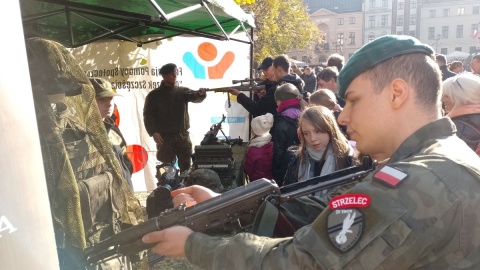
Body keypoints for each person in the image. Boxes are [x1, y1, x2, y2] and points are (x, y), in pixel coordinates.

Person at [142, 35, 480, 269]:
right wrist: (226, 204)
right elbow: (330, 209)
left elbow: (303, 262)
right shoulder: (436, 161)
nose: (343, 117)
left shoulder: (419, 179)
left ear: (396, 93)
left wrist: (192, 245)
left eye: (354, 100)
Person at [26, 38, 144, 269]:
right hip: (56, 237)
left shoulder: (80, 122)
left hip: (99, 229)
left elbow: (116, 171)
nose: (61, 92)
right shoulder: (24, 128)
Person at [143, 63, 206, 173]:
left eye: (175, 73)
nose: (174, 76)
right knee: (166, 171)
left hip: (182, 136)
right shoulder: (154, 96)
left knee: (186, 169)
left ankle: (185, 189)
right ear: (164, 76)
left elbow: (195, 97)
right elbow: (147, 116)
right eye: (171, 74)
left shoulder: (182, 91)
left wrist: (201, 95)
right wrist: (153, 132)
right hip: (164, 138)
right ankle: (167, 190)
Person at [283, 106, 356, 198]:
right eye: (306, 133)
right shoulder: (297, 161)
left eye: (318, 131)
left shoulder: (348, 160)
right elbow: (287, 195)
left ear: (330, 129)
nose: (312, 139)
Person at [91, 77, 134, 189]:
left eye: (110, 98)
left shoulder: (113, 128)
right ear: (88, 101)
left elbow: (125, 163)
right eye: (101, 99)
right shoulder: (81, 133)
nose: (109, 104)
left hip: (123, 193)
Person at [271, 83, 306, 185]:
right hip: (304, 168)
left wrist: (276, 176)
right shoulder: (304, 111)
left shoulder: (282, 121)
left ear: (280, 100)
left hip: (287, 170)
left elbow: (278, 151)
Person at [442, 73, 480, 154]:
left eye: (446, 96)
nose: (442, 99)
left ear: (458, 98)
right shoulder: (474, 117)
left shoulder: (458, 128)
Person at [243, 113, 274, 182]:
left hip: (256, 184)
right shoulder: (272, 145)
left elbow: (247, 170)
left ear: (254, 131)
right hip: (270, 181)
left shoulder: (252, 151)